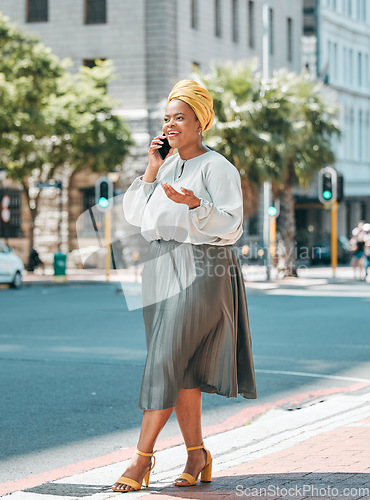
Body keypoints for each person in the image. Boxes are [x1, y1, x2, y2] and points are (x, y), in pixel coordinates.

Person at [114, 80, 257, 493]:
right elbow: (138, 217)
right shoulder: (168, 167)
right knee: (181, 369)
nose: (171, 125)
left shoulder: (218, 167)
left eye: (179, 117)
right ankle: (197, 454)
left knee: (164, 360)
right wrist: (151, 167)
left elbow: (232, 224)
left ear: (200, 122)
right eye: (166, 118)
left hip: (201, 265)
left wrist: (196, 205)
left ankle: (141, 459)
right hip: (159, 266)